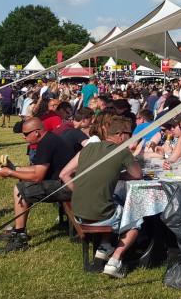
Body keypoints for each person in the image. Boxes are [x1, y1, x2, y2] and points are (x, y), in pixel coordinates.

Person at [59, 115, 142, 278]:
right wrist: (118, 175)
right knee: (137, 217)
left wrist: (83, 193)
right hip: (98, 214)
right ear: (120, 135)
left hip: (78, 212)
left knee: (114, 201)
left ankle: (105, 246)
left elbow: (64, 174)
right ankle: (115, 261)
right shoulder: (122, 152)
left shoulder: (89, 147)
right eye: (129, 134)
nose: (130, 138)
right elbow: (137, 175)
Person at [0, 116, 75, 252]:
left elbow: (38, 176)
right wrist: (14, 168)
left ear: (36, 132)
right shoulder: (48, 139)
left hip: (67, 187)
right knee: (24, 184)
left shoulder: (46, 143)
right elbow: (38, 168)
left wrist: (10, 173)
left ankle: (20, 238)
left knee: (21, 189)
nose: (23, 137)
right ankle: (17, 231)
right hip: (64, 183)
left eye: (25, 134)